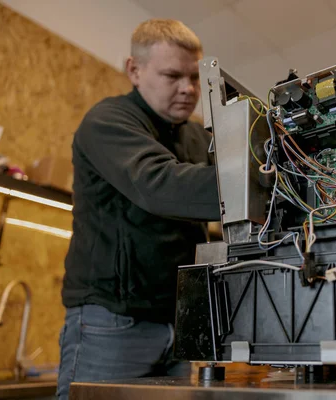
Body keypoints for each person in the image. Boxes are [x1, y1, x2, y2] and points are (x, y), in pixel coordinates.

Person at [56, 19, 220, 399]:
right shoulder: (108, 122)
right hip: (112, 322)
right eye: (172, 75)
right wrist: (261, 183)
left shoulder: (197, 136)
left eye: (194, 77)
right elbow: (158, 185)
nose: (188, 88)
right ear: (134, 70)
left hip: (180, 326)